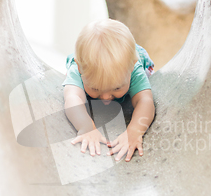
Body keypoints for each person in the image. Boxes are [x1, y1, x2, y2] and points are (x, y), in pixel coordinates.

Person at [62, 18, 155, 162]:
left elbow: (145, 100)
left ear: (131, 69)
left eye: (117, 88)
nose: (105, 97)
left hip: (136, 59)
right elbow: (72, 98)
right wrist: (86, 127)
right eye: (95, 88)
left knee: (147, 80)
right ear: (80, 69)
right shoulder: (80, 68)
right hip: (88, 64)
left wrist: (135, 130)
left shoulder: (133, 68)